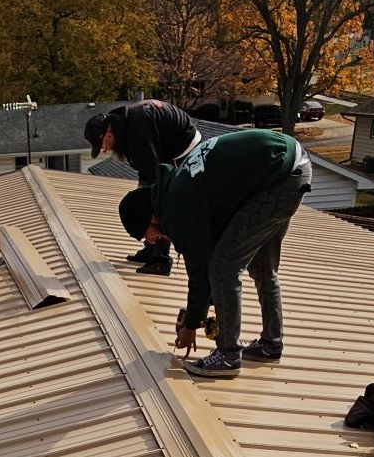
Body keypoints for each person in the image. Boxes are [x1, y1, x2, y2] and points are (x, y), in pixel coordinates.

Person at [118, 128, 312, 378]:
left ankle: (228, 355)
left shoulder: (178, 207)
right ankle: (270, 344)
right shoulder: (177, 186)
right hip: (287, 166)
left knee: (224, 268)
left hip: (277, 176)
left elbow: (203, 270)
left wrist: (190, 326)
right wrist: (199, 312)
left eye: (147, 234)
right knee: (262, 268)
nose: (152, 240)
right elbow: (210, 252)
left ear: (151, 217)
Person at [84, 100, 199, 274]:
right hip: (164, 142)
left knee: (161, 197)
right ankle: (150, 249)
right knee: (144, 195)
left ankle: (161, 259)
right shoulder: (121, 123)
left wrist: (151, 205)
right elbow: (144, 172)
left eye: (102, 146)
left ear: (108, 136)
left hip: (182, 147)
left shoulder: (137, 133)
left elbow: (158, 179)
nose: (105, 150)